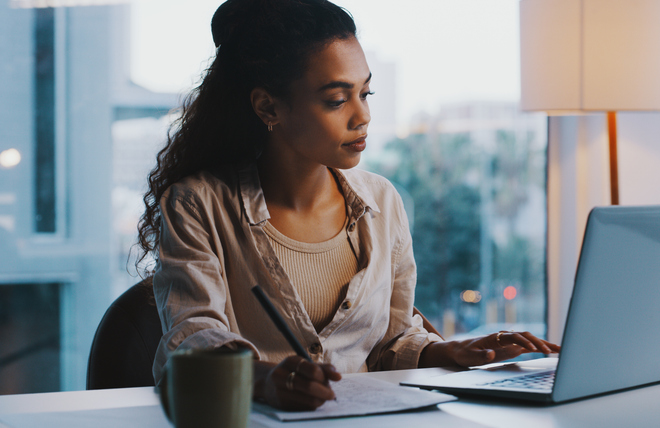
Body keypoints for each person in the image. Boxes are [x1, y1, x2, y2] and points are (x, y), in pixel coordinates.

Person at [136, 0, 560, 411]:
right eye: (337, 100)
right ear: (268, 106)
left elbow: (392, 344)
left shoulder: (382, 200)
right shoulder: (197, 204)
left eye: (366, 92)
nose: (363, 116)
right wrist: (266, 379)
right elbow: (193, 337)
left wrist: (454, 352)